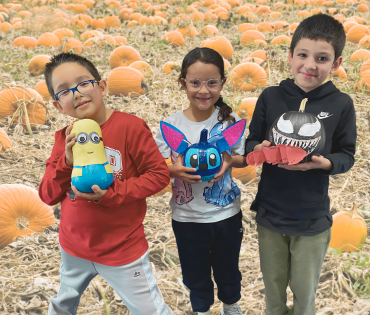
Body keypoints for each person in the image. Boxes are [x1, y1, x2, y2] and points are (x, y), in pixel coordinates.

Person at [38, 52, 175, 315]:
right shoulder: (63, 139)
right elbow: (47, 195)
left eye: (83, 84)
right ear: (57, 105)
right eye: (64, 91)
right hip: (73, 247)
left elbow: (158, 175)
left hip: (122, 249)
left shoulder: (131, 128)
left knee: (151, 311)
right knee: (62, 305)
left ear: (101, 86)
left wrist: (112, 194)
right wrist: (65, 163)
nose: (77, 94)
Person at [245, 14, 356, 315]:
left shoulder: (341, 105)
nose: (310, 65)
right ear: (290, 55)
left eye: (322, 58)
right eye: (303, 55)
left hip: (311, 220)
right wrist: (260, 148)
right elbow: (251, 141)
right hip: (270, 216)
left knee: (304, 299)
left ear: (336, 63)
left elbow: (347, 154)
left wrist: (324, 163)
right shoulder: (270, 96)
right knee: (274, 295)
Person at [155, 47, 247, 315]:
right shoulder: (171, 126)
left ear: (222, 83)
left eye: (211, 83)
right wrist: (174, 170)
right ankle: (202, 309)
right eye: (195, 83)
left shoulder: (230, 122)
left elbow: (243, 158)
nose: (203, 90)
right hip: (187, 217)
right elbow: (159, 165)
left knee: (228, 267)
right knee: (194, 272)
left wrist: (228, 160)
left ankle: (231, 304)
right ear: (183, 83)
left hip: (226, 214)